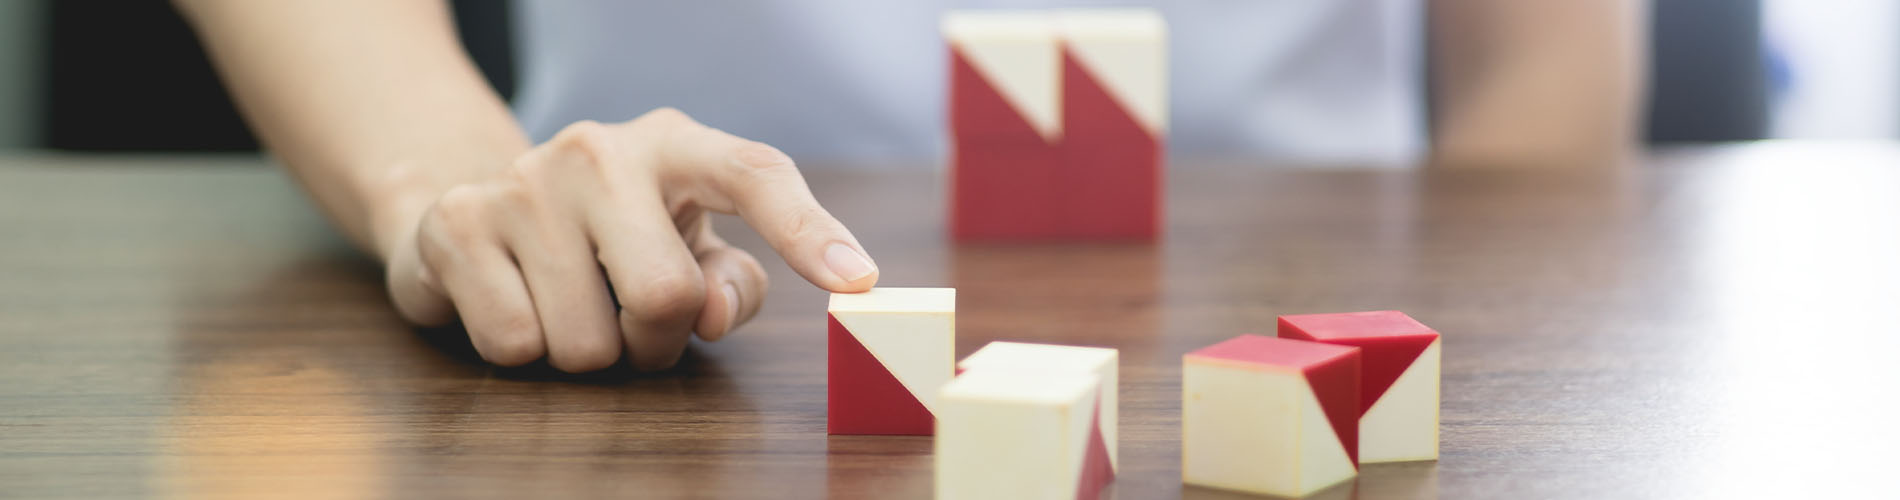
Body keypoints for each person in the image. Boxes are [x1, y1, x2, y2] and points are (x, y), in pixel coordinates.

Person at [172, 0, 1645, 373]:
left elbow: (1543, 58)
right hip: (678, 330)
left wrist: (1439, 352)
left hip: (1311, 282)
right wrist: (458, 191)